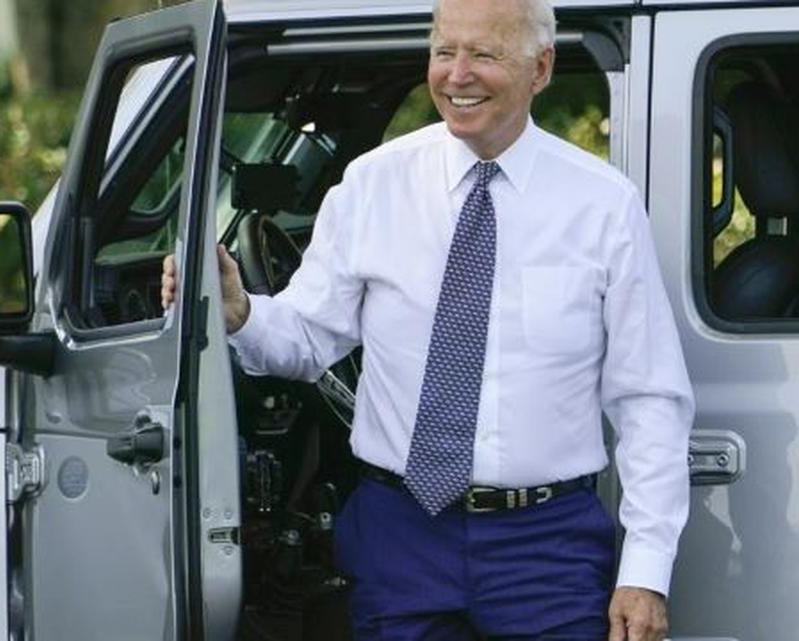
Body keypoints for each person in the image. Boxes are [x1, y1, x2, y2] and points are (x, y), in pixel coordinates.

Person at [163, 0, 693, 638]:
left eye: (485, 54)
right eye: (445, 51)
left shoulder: (603, 204)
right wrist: (239, 311)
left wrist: (645, 572)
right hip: (401, 535)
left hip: (546, 547)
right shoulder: (371, 185)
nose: (457, 74)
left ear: (541, 68)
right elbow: (305, 337)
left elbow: (650, 399)